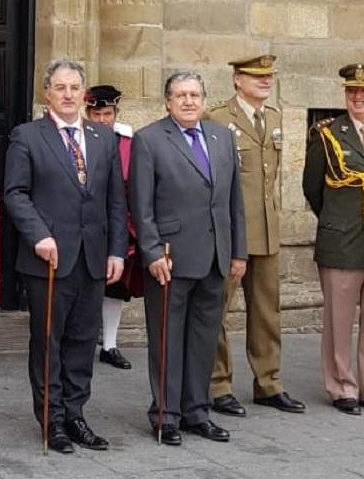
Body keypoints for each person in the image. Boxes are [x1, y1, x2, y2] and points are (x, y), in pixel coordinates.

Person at [5, 60, 127, 454]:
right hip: (48, 259)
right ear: (47, 93)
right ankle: (51, 419)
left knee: (81, 341)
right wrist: (39, 235)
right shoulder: (27, 136)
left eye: (75, 87)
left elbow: (115, 200)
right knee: (49, 340)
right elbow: (15, 193)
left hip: (93, 258)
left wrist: (116, 251)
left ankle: (76, 414)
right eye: (61, 87)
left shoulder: (103, 138)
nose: (69, 95)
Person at [130, 70, 247, 446]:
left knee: (203, 340)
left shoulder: (222, 138)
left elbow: (234, 204)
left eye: (195, 94)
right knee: (167, 340)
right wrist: (150, 252)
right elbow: (140, 205)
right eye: (180, 95)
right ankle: (166, 415)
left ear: (203, 99)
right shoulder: (149, 140)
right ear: (167, 101)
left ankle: (198, 411)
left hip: (214, 258)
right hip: (169, 258)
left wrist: (238, 252)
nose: (188, 101)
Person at [207, 55, 305, 417]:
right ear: (237, 79)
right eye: (256, 76)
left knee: (267, 312)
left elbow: (272, 178)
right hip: (232, 234)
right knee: (218, 310)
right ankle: (218, 385)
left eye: (269, 76)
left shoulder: (275, 117)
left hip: (266, 231)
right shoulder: (217, 118)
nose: (265, 81)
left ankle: (268, 382)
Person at [303, 63, 364, 416]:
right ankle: (342, 385)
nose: (358, 97)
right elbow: (312, 188)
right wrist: (336, 221)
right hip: (342, 241)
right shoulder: (328, 133)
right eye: (352, 92)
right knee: (339, 319)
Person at [84, 84, 141, 371]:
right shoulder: (77, 137)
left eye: (108, 113)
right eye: (97, 113)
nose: (103, 119)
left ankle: (110, 344)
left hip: (119, 223)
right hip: (86, 223)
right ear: (87, 113)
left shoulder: (129, 141)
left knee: (115, 287)